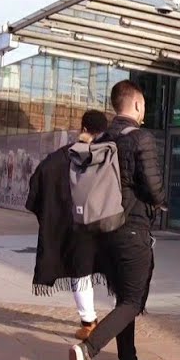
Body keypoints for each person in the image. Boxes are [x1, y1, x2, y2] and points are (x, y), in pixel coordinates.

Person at [68, 81, 164, 360]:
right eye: (144, 105)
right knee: (134, 301)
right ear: (136, 106)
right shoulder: (141, 137)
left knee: (124, 298)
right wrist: (163, 201)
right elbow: (152, 186)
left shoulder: (102, 139)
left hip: (103, 231)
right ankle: (88, 350)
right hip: (132, 228)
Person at [26, 109, 109, 339]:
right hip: (101, 226)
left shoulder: (59, 158)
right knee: (106, 269)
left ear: (83, 129)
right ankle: (114, 318)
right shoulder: (106, 157)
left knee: (80, 272)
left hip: (71, 225)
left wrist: (51, 214)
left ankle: (89, 321)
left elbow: (37, 184)